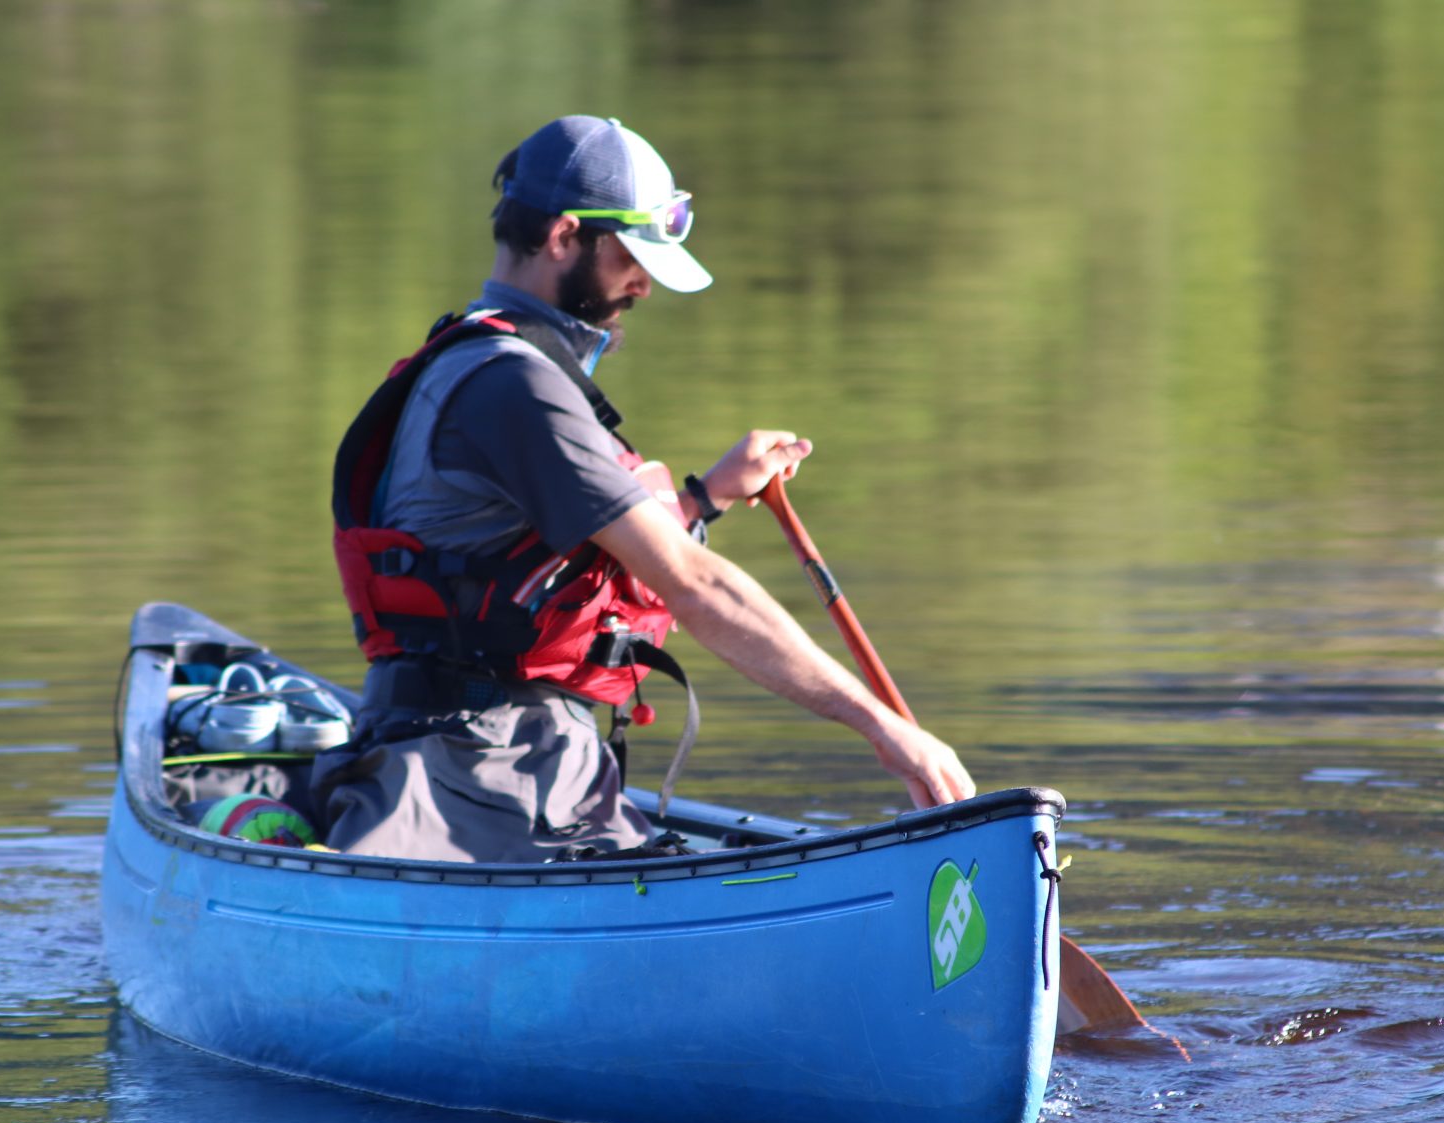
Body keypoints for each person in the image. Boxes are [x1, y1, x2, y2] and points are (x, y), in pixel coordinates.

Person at [310, 115, 974, 862]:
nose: (645, 283)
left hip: (509, 754)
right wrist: (884, 727)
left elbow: (548, 555)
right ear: (564, 235)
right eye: (631, 254)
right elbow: (695, 588)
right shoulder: (515, 387)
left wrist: (701, 502)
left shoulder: (493, 359)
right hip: (476, 771)